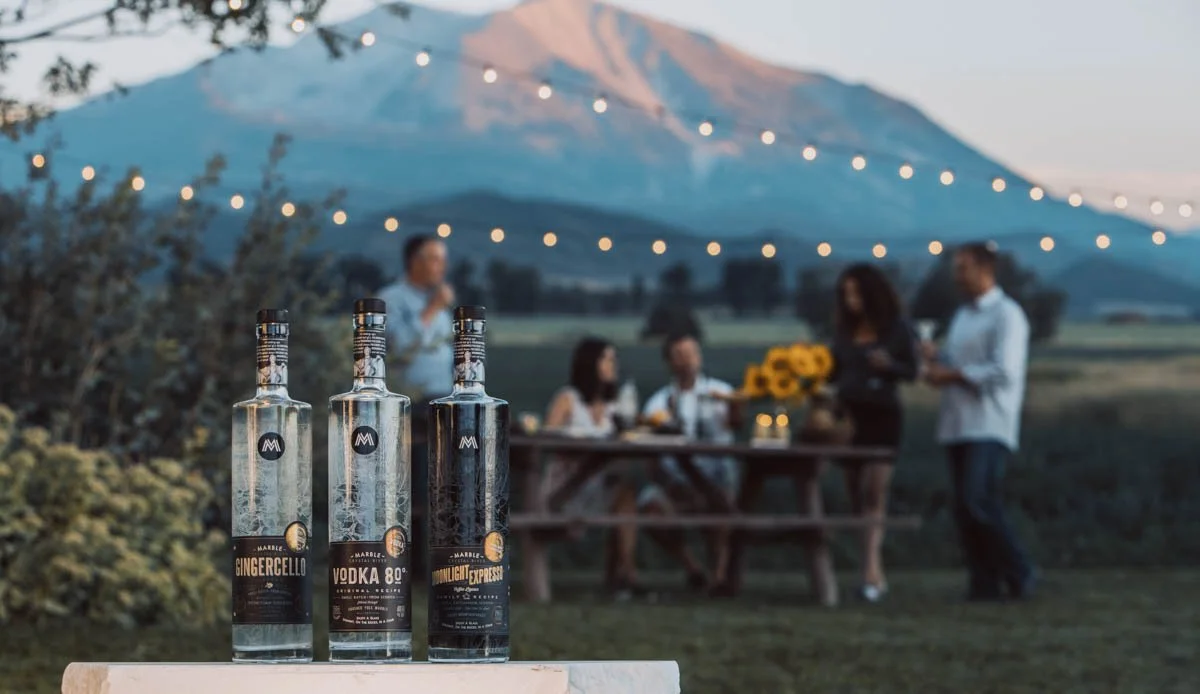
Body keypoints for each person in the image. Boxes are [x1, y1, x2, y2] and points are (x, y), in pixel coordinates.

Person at [922, 242, 1036, 602]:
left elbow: (1005, 370)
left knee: (978, 500)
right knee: (964, 507)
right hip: (957, 422)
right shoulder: (963, 316)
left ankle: (1019, 569)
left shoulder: (1007, 315)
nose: (957, 276)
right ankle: (983, 580)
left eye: (963, 268)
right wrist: (935, 358)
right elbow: (958, 360)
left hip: (989, 420)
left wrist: (952, 375)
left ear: (986, 270)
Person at [829, 263, 918, 603]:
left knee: (873, 492)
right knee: (855, 495)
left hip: (882, 416)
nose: (851, 301)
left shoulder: (896, 328)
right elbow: (834, 370)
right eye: (846, 294)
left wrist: (889, 366)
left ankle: (870, 571)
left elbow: (912, 370)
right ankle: (871, 570)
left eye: (856, 293)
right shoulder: (843, 331)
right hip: (849, 417)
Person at [638, 333, 742, 596]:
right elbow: (648, 449)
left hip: (716, 478)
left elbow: (735, 424)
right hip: (675, 481)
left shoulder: (722, 393)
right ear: (669, 362)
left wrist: (738, 407)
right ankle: (693, 568)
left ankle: (719, 575)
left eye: (691, 353)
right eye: (679, 355)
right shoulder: (659, 403)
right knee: (648, 507)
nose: (687, 361)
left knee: (721, 499)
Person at [540, 337, 643, 599]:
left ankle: (625, 576)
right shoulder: (568, 399)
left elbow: (624, 447)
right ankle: (625, 579)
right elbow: (545, 440)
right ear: (590, 364)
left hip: (598, 485)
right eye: (607, 359)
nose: (613, 365)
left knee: (626, 494)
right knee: (621, 493)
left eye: (613, 359)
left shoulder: (614, 407)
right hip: (565, 488)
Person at [377, 234, 454, 576]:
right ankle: (410, 563)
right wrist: (433, 309)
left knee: (444, 481)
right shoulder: (391, 301)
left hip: (444, 398)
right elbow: (402, 348)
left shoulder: (439, 304)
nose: (442, 266)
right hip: (411, 403)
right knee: (412, 483)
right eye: (435, 258)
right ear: (414, 262)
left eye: (443, 259)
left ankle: (443, 558)